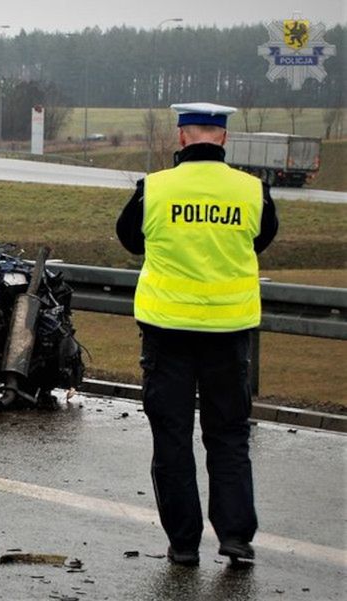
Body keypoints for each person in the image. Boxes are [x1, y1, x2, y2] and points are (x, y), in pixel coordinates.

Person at [116, 102, 278, 567]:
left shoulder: (155, 189)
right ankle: (236, 537)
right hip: (229, 334)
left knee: (172, 436)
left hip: (167, 334)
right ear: (223, 139)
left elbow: (130, 239)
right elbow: (261, 239)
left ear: (182, 137)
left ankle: (184, 544)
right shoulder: (253, 191)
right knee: (228, 435)